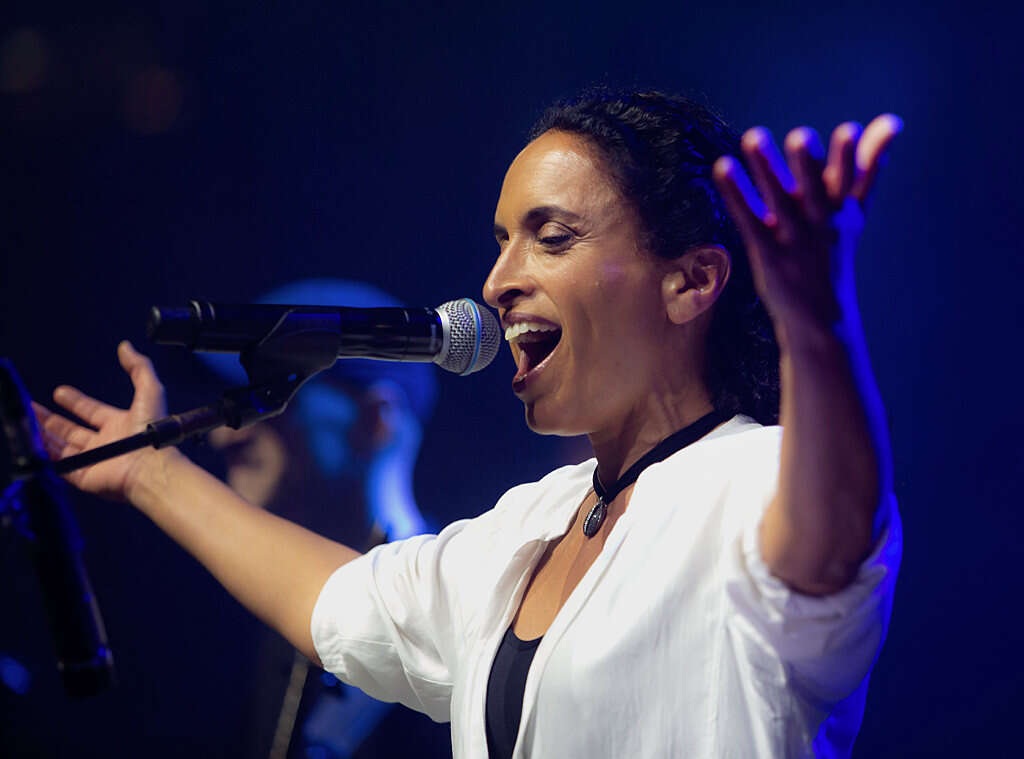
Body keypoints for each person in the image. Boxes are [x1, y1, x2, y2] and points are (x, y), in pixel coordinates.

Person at [33, 89, 903, 758]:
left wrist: (816, 319)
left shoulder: (755, 478)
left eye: (550, 237)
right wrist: (149, 471)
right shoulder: (532, 522)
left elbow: (830, 533)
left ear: (690, 281)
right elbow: (334, 600)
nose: (496, 282)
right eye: (500, 241)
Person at [195, 279, 447, 759]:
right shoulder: (224, 622)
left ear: (375, 420)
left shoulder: (467, 615)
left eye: (267, 398)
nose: (225, 435)